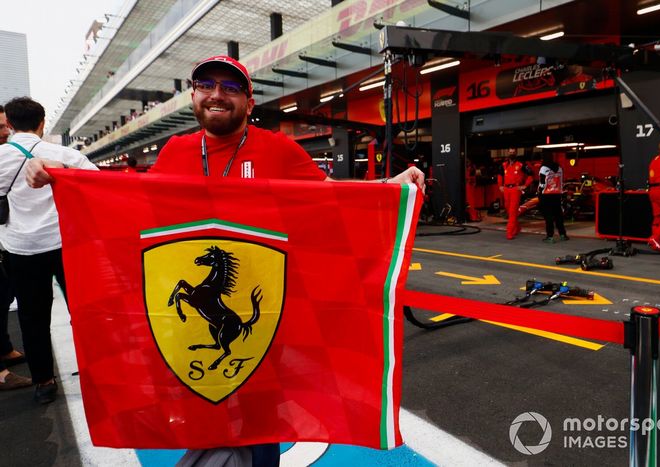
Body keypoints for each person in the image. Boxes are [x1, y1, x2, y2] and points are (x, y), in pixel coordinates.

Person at [26, 55, 424, 465]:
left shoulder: (279, 150)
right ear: (194, 95)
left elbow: (336, 203)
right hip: (182, 343)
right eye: (207, 85)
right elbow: (133, 220)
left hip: (271, 326)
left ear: (249, 103)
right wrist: (63, 177)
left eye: (231, 88)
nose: (217, 95)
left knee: (259, 426)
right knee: (202, 418)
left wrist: (388, 188)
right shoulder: (175, 152)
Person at [0, 97, 98, 404]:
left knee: (32, 317)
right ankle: (96, 372)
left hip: (20, 249)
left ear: (10, 125)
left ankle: (44, 382)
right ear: (42, 123)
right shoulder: (64, 154)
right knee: (83, 311)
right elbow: (99, 184)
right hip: (67, 244)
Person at [0, 105, 33, 390]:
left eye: (4, 126)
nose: (4, 132)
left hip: (6, 246)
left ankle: (4, 348)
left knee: (3, 295)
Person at [497, 148, 532, 239]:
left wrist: (525, 185)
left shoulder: (521, 164)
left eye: (513, 152)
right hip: (506, 189)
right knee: (509, 210)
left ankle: (509, 232)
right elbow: (500, 175)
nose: (512, 154)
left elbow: (531, 174)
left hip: (516, 189)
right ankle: (517, 227)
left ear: (516, 153)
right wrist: (500, 185)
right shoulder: (503, 165)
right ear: (507, 153)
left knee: (512, 211)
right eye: (510, 152)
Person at [538, 153, 568, 243]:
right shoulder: (559, 168)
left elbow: (542, 183)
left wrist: (539, 193)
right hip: (557, 194)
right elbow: (561, 180)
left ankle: (550, 236)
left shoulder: (543, 168)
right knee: (558, 215)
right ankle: (563, 234)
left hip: (546, 195)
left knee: (548, 217)